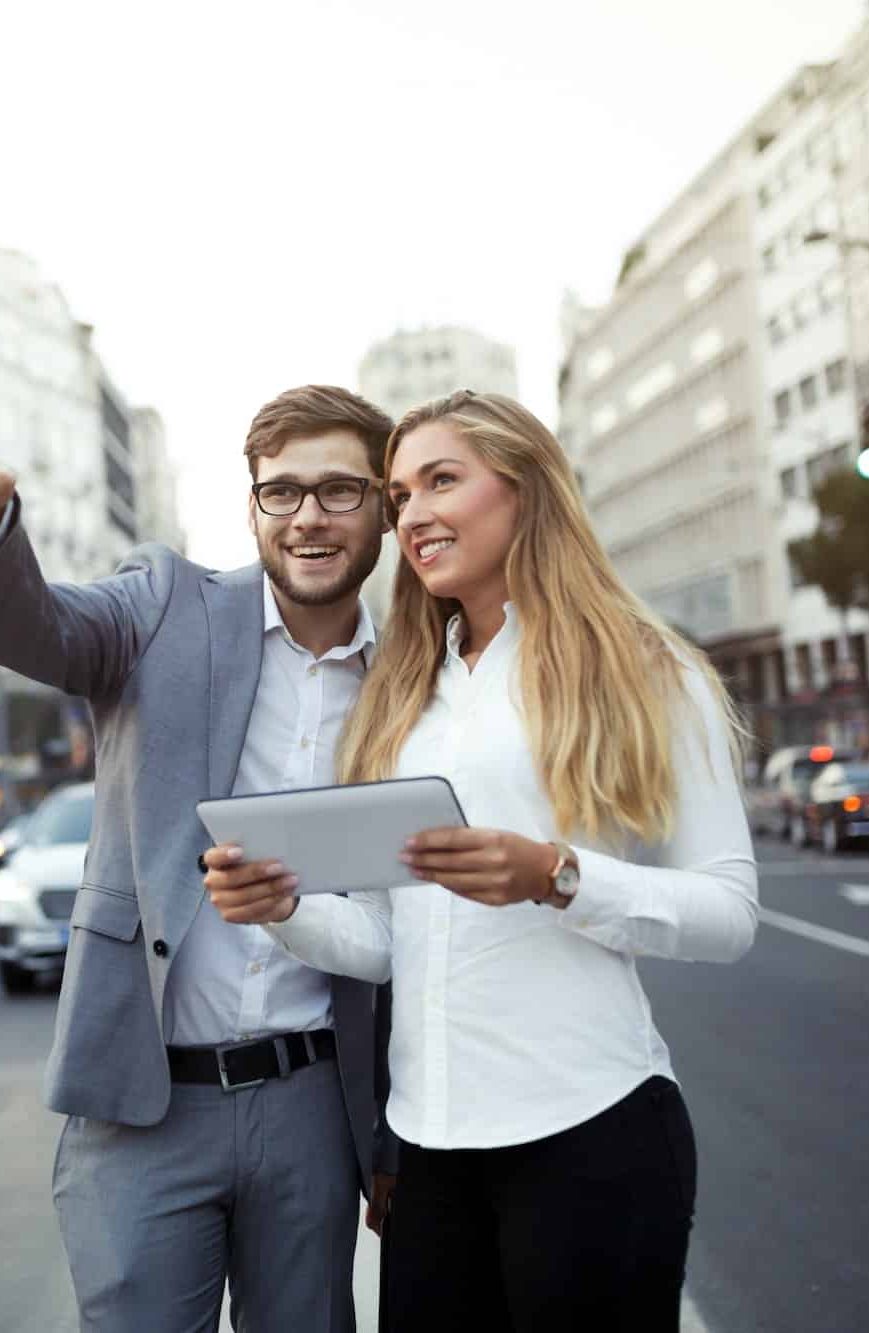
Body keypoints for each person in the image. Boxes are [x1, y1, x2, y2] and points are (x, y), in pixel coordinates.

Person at [202, 390, 758, 1330]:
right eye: (400, 492)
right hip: (427, 1157)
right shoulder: (402, 697)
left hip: (591, 1130)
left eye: (441, 481)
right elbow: (387, 939)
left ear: (525, 487)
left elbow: (730, 914)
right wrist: (282, 907)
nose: (412, 513)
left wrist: (558, 875)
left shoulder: (644, 667)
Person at [0, 385, 397, 1333]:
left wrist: (389, 1139)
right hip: (144, 1100)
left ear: (384, 505)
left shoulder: (409, 674)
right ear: (251, 504)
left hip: (313, 1105)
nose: (307, 517)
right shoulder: (166, 605)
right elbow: (32, 626)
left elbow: (413, 920)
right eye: (280, 492)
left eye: (340, 491)